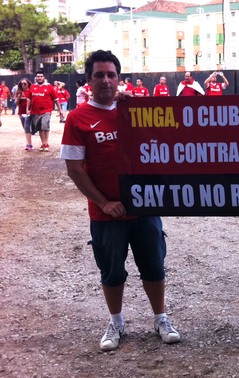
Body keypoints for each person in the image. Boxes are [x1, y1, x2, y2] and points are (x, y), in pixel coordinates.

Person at [60, 49, 181, 352]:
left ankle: (160, 317)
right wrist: (103, 203)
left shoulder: (135, 111)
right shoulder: (77, 119)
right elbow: (74, 170)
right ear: (88, 80)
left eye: (111, 75)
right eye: (99, 74)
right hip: (107, 213)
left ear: (119, 79)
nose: (105, 80)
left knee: (154, 265)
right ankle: (116, 321)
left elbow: (175, 135)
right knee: (112, 271)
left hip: (144, 207)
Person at [27, 71, 63, 152]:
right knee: (39, 127)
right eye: (38, 76)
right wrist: (27, 109)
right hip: (35, 111)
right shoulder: (32, 87)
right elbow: (29, 99)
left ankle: (46, 143)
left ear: (44, 77)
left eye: (41, 76)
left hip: (46, 110)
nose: (39, 78)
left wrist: (60, 110)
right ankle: (43, 143)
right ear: (36, 78)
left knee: (45, 125)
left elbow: (56, 99)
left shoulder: (49, 87)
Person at [15, 78, 32, 150]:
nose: (23, 85)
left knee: (27, 127)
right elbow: (16, 103)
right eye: (22, 84)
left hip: (29, 112)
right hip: (21, 112)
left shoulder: (30, 91)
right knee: (25, 128)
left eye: (25, 83)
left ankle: (29, 144)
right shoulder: (19, 91)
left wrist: (30, 110)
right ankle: (29, 142)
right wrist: (18, 98)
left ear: (28, 84)